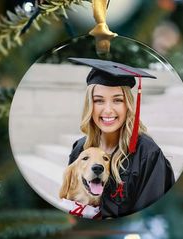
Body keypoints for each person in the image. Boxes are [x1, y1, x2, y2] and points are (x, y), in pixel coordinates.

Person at [68, 57, 175, 219]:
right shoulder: (80, 148)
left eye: (118, 100)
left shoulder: (147, 153)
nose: (108, 110)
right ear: (90, 106)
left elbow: (149, 214)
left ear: (128, 105)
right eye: (99, 101)